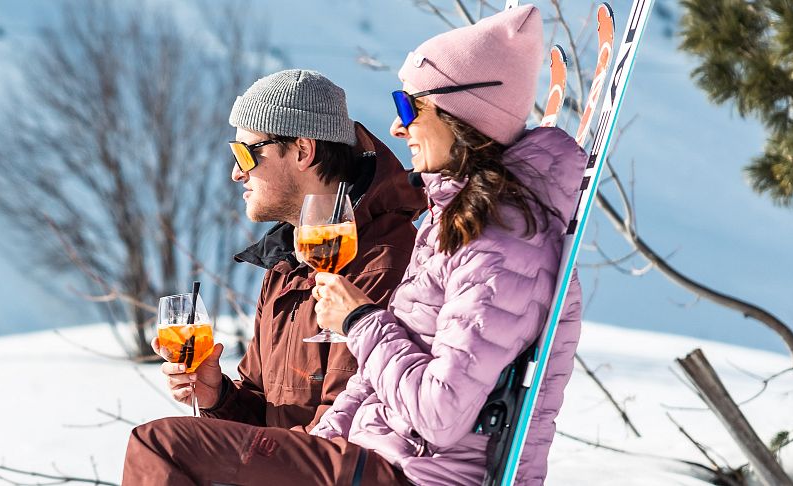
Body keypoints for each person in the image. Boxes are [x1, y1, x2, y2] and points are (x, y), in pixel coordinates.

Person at [126, 6, 585, 485]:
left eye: (409, 107)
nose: (396, 125)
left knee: (160, 445)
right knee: (169, 448)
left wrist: (358, 321)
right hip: (377, 457)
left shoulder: (492, 247)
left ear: (459, 114)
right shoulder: (437, 233)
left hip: (411, 473)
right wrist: (219, 397)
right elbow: (354, 399)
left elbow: (439, 412)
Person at [164, 69, 425, 431]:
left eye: (245, 153)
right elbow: (263, 417)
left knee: (164, 442)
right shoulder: (285, 270)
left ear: (303, 150)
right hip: (284, 467)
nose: (236, 173)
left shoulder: (383, 264)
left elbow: (343, 434)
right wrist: (218, 396)